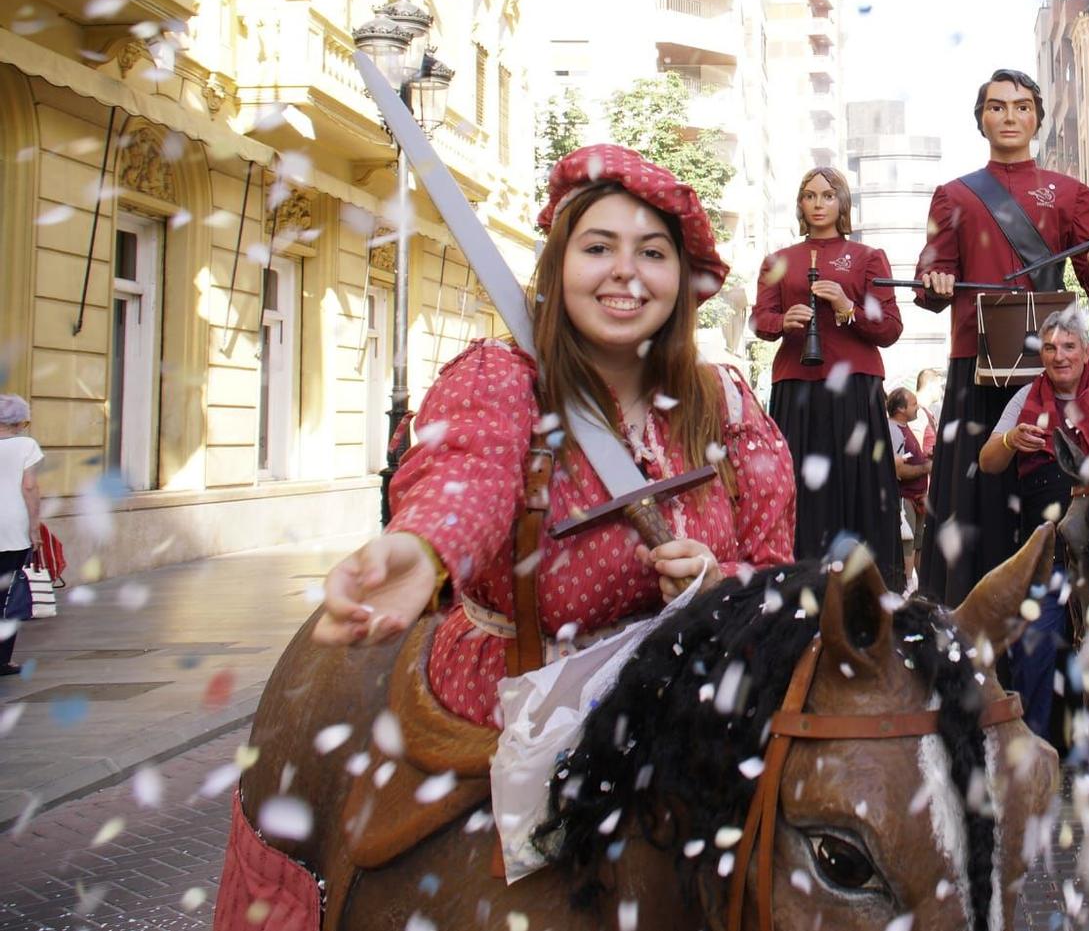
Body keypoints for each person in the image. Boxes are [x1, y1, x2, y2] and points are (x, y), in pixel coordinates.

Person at [306, 145, 796, 726]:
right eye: (597, 248)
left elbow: (774, 575)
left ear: (681, 280)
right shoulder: (501, 381)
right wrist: (423, 547)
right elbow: (468, 474)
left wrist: (719, 588)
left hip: (690, 706)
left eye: (652, 253)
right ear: (559, 266)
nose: (625, 271)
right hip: (522, 710)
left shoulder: (729, 406)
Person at [913, 68, 1089, 605]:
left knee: (1060, 493)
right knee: (974, 502)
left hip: (1052, 368)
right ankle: (969, 622)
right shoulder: (953, 195)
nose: (1010, 116)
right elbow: (931, 280)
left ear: (1037, 117)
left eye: (1022, 106)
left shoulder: (1072, 194)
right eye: (997, 107)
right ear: (981, 119)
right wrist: (935, 284)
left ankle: (1069, 618)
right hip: (975, 365)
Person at [753, 166, 906, 586]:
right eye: (809, 196)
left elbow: (890, 327)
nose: (818, 204)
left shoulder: (867, 257)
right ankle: (797, 584)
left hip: (854, 388)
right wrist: (783, 321)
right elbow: (758, 319)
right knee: (798, 489)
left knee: (859, 488)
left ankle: (868, 589)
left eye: (827, 195)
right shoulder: (778, 261)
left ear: (842, 203)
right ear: (800, 204)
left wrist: (846, 307)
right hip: (797, 387)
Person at [978, 306, 1089, 742]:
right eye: (1049, 348)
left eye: (1068, 346)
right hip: (1047, 553)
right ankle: (1036, 752)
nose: (1059, 356)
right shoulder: (1024, 400)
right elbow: (988, 462)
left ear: (1085, 352)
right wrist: (1009, 439)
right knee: (1034, 647)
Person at [0, 394, 42, 676]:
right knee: (8, 593)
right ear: (19, 421)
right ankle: (3, 660)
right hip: (12, 525)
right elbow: (29, 486)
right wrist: (35, 526)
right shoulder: (26, 445)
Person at [885, 387, 932, 580]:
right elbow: (898, 469)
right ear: (901, 409)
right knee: (908, 546)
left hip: (916, 500)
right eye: (913, 404)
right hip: (906, 501)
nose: (917, 407)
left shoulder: (903, 429)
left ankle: (921, 589)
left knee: (917, 546)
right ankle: (907, 588)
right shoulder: (894, 430)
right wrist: (925, 468)